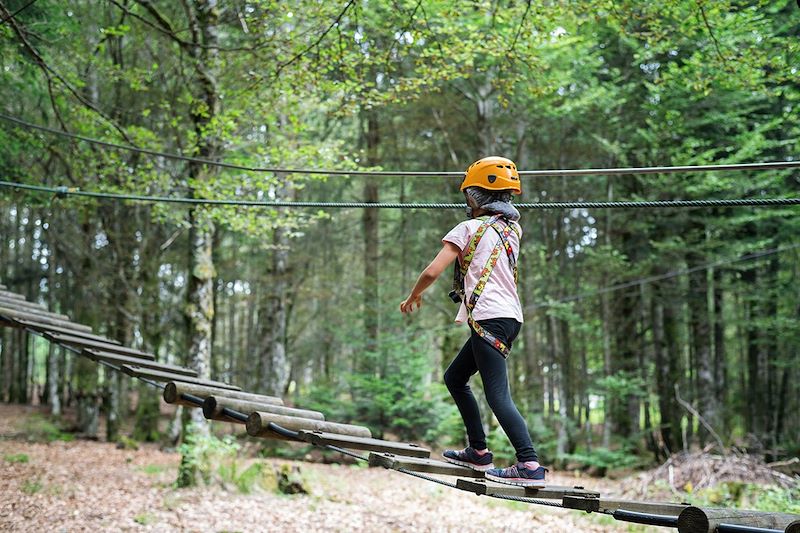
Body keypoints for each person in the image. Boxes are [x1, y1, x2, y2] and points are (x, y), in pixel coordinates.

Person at [399, 156, 546, 487]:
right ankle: (479, 451)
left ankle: (529, 462)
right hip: (508, 317)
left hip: (489, 317)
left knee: (497, 395)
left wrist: (413, 296)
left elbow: (432, 271)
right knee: (455, 377)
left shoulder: (467, 229)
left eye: (469, 195)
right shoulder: (512, 230)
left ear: (476, 197)